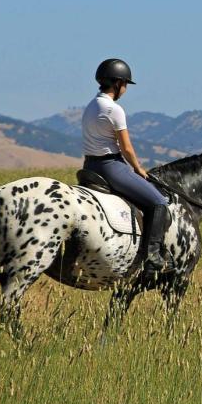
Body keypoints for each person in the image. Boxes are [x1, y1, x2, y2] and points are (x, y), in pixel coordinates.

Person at [81, 58, 170, 272]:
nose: (126, 89)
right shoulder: (114, 109)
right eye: (126, 84)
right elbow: (127, 148)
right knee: (159, 202)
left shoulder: (91, 105)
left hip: (89, 166)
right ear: (118, 83)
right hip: (110, 166)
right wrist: (139, 169)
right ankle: (153, 257)